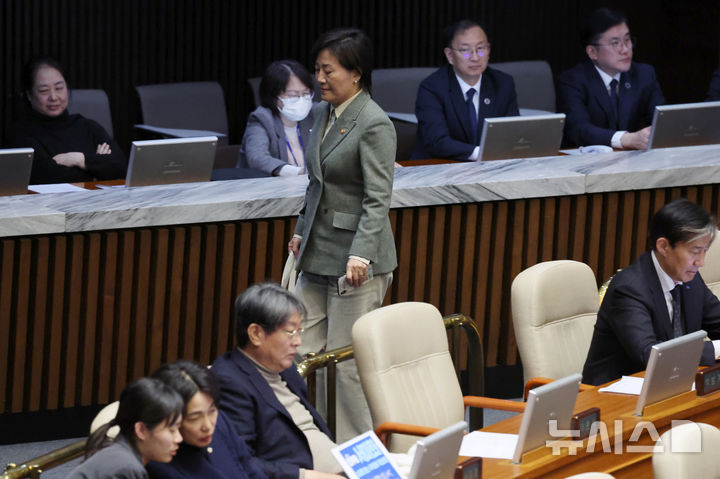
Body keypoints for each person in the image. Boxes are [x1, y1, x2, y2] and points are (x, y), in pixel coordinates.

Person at [287, 27, 396, 441]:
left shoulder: (373, 122)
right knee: (295, 350)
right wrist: (301, 231)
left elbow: (377, 198)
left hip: (356, 264)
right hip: (317, 255)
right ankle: (305, 441)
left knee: (345, 365)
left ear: (356, 73)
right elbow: (317, 184)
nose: (319, 79)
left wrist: (362, 255)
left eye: (327, 70)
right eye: (317, 69)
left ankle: (356, 453)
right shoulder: (321, 113)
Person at [212, 283, 343, 479]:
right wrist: (304, 476)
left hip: (343, 466)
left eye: (300, 331)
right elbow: (239, 460)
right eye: (291, 331)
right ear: (256, 333)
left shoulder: (286, 368)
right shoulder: (229, 382)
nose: (298, 342)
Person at [583, 198, 720, 386]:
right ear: (663, 246)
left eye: (705, 251)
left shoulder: (690, 279)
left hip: (668, 386)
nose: (701, 262)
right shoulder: (629, 288)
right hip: (613, 395)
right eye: (695, 251)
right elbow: (650, 355)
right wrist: (715, 348)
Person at [5, 56, 127, 184]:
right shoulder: (19, 134)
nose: (53, 97)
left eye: (59, 88)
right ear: (29, 95)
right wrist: (98, 170)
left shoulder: (87, 126)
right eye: (44, 91)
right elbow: (47, 176)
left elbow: (120, 166)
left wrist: (79, 159)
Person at [557, 8, 665, 149]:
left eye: (627, 40)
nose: (625, 49)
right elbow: (579, 129)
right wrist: (626, 139)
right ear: (592, 52)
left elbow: (662, 120)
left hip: (630, 161)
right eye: (615, 43)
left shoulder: (644, 74)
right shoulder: (572, 80)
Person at [411, 19, 518, 160]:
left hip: (489, 169)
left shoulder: (503, 84)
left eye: (481, 48)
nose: (475, 57)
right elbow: (437, 141)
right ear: (450, 56)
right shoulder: (432, 87)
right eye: (465, 51)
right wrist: (481, 153)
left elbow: (512, 133)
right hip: (439, 167)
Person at [146, 360, 267, 479]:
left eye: (212, 411)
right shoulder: (160, 465)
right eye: (194, 417)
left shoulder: (220, 421)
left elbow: (249, 466)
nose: (208, 426)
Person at [66, 377, 183, 479]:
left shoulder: (120, 452)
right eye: (171, 430)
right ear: (141, 430)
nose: (179, 438)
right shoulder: (127, 467)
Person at [238, 60, 315, 176]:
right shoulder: (262, 118)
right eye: (293, 95)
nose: (301, 99)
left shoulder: (316, 113)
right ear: (274, 97)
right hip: (269, 190)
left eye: (305, 93)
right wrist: (298, 172)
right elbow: (257, 158)